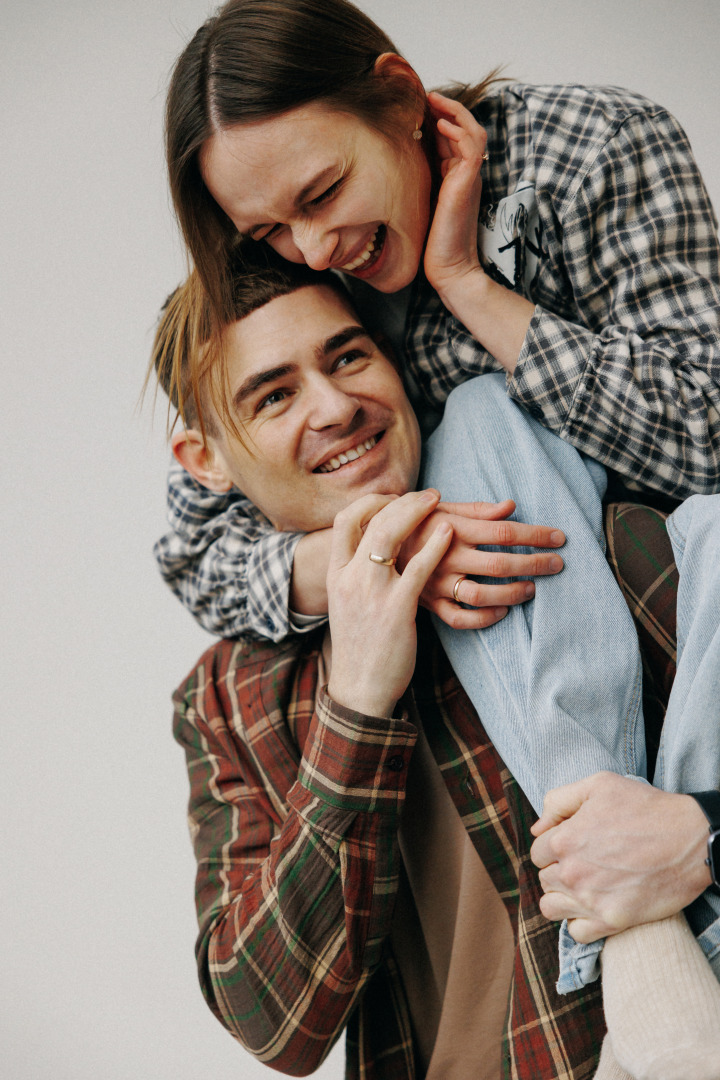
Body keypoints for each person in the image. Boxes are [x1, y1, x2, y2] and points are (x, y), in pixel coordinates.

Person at [154, 253, 720, 1079]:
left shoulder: (591, 551)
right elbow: (274, 1023)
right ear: (205, 460)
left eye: (348, 357)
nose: (337, 406)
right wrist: (355, 703)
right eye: (274, 396)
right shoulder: (230, 698)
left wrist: (706, 838)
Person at [156, 0, 720, 644]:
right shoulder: (279, 274)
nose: (313, 253)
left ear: (400, 100)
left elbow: (710, 440)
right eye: (269, 228)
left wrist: (467, 287)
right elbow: (195, 552)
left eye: (323, 194)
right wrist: (387, 548)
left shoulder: (589, 151)